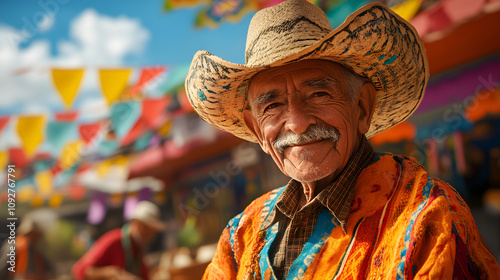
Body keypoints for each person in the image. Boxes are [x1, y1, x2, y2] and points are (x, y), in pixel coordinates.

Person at [184, 0, 500, 278]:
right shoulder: (242, 234)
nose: (296, 123)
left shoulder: (426, 218)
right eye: (273, 105)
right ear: (257, 131)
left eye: (319, 93)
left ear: (362, 107)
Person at [72, 200, 166, 280]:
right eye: (149, 230)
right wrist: (111, 272)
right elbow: (79, 270)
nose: (151, 235)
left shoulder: (138, 247)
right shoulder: (114, 240)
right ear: (138, 224)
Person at [0, 215, 54, 280]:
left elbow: (48, 269)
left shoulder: (34, 249)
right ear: (31, 232)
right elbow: (3, 268)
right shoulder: (15, 244)